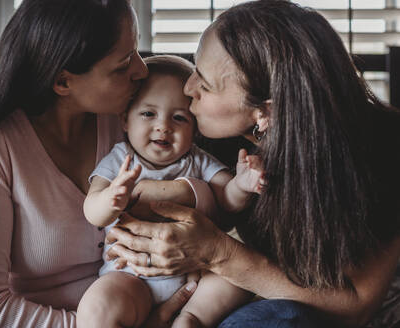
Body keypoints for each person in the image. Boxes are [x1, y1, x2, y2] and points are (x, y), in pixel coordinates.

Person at [104, 1, 400, 327]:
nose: (188, 90)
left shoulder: (383, 151)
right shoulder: (205, 130)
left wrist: (217, 252)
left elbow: (355, 306)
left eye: (204, 83)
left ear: (266, 112)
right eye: (195, 70)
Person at [0, 1, 202, 326]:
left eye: (135, 51)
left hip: (142, 302)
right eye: (122, 65)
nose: (141, 70)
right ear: (63, 82)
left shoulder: (126, 119)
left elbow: (197, 170)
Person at [79, 55, 263, 328]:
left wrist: (242, 184)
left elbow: (227, 200)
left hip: (197, 273)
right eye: (148, 113)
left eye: (179, 117)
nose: (163, 126)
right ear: (125, 120)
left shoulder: (198, 160)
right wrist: (111, 199)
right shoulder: (119, 159)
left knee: (236, 280)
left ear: (195, 129)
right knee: (97, 308)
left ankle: (191, 319)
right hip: (133, 276)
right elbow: (92, 211)